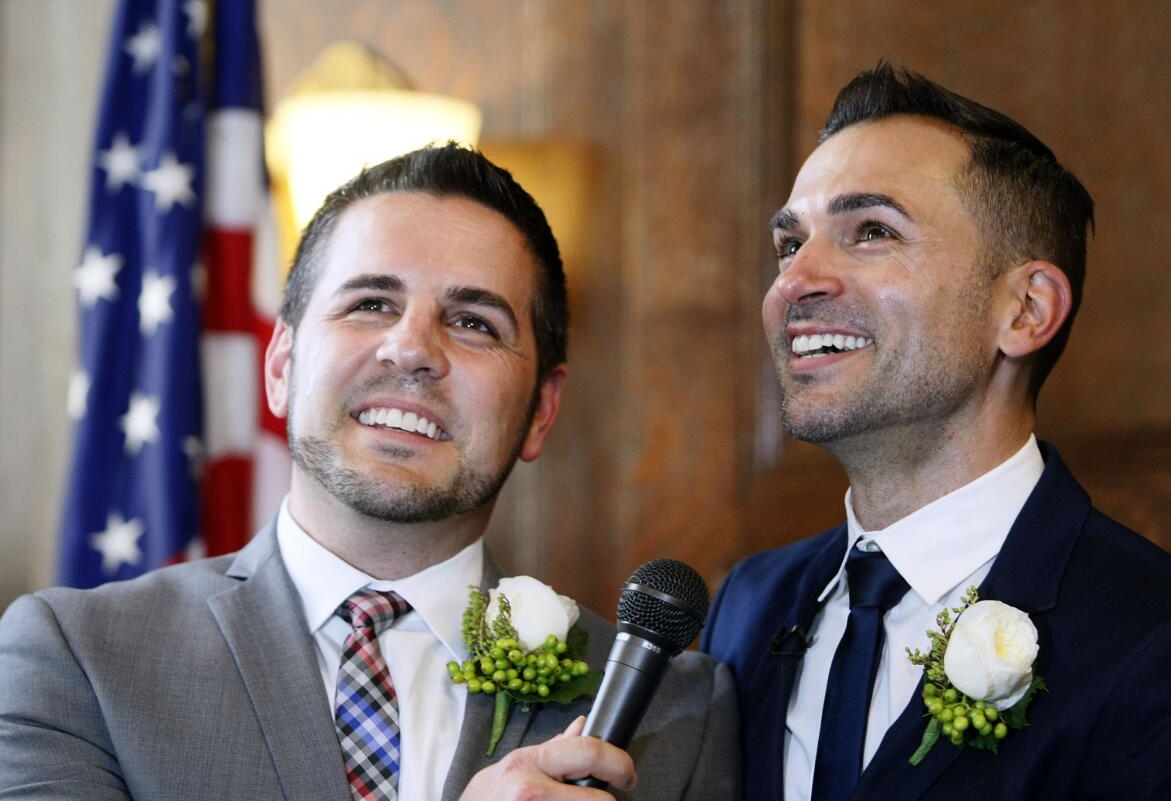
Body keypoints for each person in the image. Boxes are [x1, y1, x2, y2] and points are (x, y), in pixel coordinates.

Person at [0, 145, 739, 801]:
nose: (411, 349)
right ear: (282, 367)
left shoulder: (675, 713)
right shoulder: (75, 659)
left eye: (475, 321)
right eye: (370, 303)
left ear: (542, 410)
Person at [701, 64, 1171, 801]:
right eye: (789, 244)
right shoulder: (748, 603)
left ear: (1026, 310)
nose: (794, 282)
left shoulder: (1167, 643)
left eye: (871, 232)